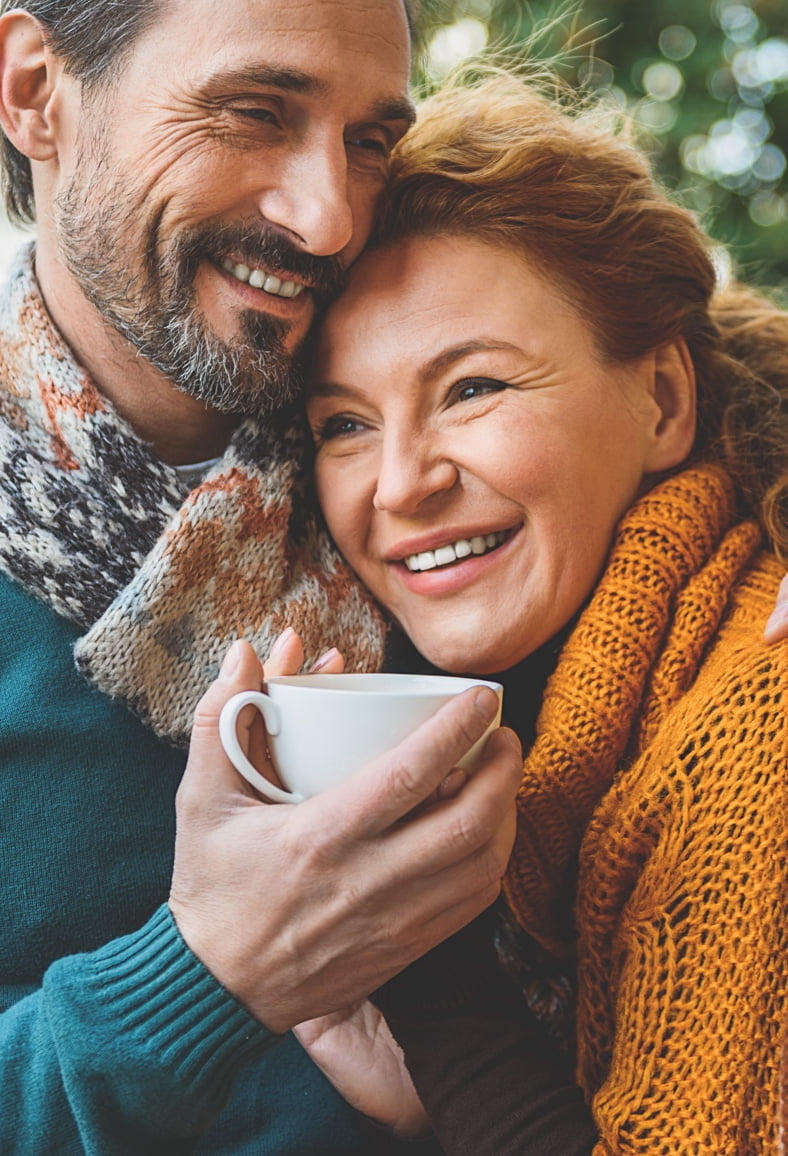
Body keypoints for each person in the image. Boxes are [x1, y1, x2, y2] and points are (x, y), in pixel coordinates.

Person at [0, 0, 523, 1150]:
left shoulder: (443, 483)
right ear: (35, 92)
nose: (331, 216)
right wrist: (210, 975)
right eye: (254, 111)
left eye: (369, 142)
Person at [294, 67, 788, 1152]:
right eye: (343, 424)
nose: (398, 483)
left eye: (471, 387)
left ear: (661, 398)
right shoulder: (584, 720)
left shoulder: (754, 723)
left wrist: (419, 973)